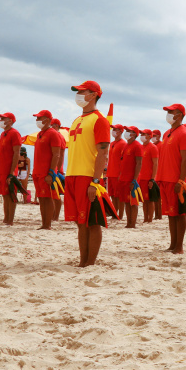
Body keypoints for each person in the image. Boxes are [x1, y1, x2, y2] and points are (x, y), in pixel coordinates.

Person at [66, 81, 111, 267]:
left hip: (87, 176)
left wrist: (95, 181)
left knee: (92, 221)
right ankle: (82, 260)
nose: (78, 94)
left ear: (93, 95)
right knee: (79, 221)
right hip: (71, 175)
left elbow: (103, 153)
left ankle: (90, 262)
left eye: (82, 91)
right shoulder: (77, 120)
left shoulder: (99, 120)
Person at [158, 104, 186, 254]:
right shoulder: (167, 133)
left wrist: (181, 180)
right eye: (168, 112)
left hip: (175, 179)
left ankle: (179, 246)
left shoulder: (184, 134)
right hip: (164, 178)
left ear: (180, 115)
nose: (169, 114)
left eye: (171, 112)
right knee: (171, 215)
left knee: (179, 214)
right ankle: (172, 244)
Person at [32, 110, 63, 230]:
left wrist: (51, 172)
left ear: (48, 120)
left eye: (40, 118)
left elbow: (56, 155)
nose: (37, 120)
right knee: (41, 198)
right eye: (37, 118)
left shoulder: (53, 134)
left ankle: (47, 224)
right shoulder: (41, 134)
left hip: (46, 172)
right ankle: (44, 223)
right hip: (37, 172)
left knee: (48, 198)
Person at [0, 113, 22, 225]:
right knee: (5, 195)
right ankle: (6, 218)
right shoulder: (3, 134)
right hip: (1, 169)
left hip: (8, 169)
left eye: (3, 118)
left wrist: (12, 172)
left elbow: (16, 153)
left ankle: (10, 219)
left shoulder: (14, 133)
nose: (1, 120)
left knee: (11, 194)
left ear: (10, 121)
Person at [118, 126, 143, 228]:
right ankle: (128, 222)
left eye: (129, 131)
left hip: (131, 178)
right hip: (123, 178)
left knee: (133, 201)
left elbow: (139, 163)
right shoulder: (126, 145)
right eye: (127, 131)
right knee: (126, 202)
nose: (127, 133)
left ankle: (132, 223)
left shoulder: (137, 145)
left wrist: (135, 179)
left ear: (134, 134)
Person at [138, 129, 159, 223]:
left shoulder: (153, 147)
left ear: (149, 136)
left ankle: (149, 219)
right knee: (144, 200)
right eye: (141, 134)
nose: (141, 135)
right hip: (141, 177)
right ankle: (145, 218)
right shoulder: (141, 147)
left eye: (144, 134)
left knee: (150, 200)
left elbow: (155, 164)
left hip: (148, 178)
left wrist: (152, 179)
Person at [107, 124, 125, 216]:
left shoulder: (123, 144)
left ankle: (120, 214)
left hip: (118, 173)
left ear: (121, 131)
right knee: (113, 195)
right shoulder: (112, 144)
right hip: (110, 173)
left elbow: (124, 161)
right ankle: (115, 213)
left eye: (116, 129)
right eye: (113, 129)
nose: (113, 131)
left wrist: (121, 174)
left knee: (119, 196)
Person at [50, 118, 66, 221]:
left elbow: (60, 154)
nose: (52, 126)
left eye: (54, 125)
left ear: (58, 126)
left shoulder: (59, 136)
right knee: (52, 194)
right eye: (52, 125)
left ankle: (55, 216)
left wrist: (57, 170)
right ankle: (53, 215)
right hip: (53, 168)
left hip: (56, 169)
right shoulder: (52, 135)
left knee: (55, 194)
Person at [151, 130, 163, 221]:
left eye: (154, 135)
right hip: (155, 173)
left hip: (160, 173)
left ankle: (159, 215)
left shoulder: (161, 145)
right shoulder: (153, 146)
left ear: (159, 136)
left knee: (158, 197)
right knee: (155, 196)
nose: (153, 137)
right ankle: (157, 215)